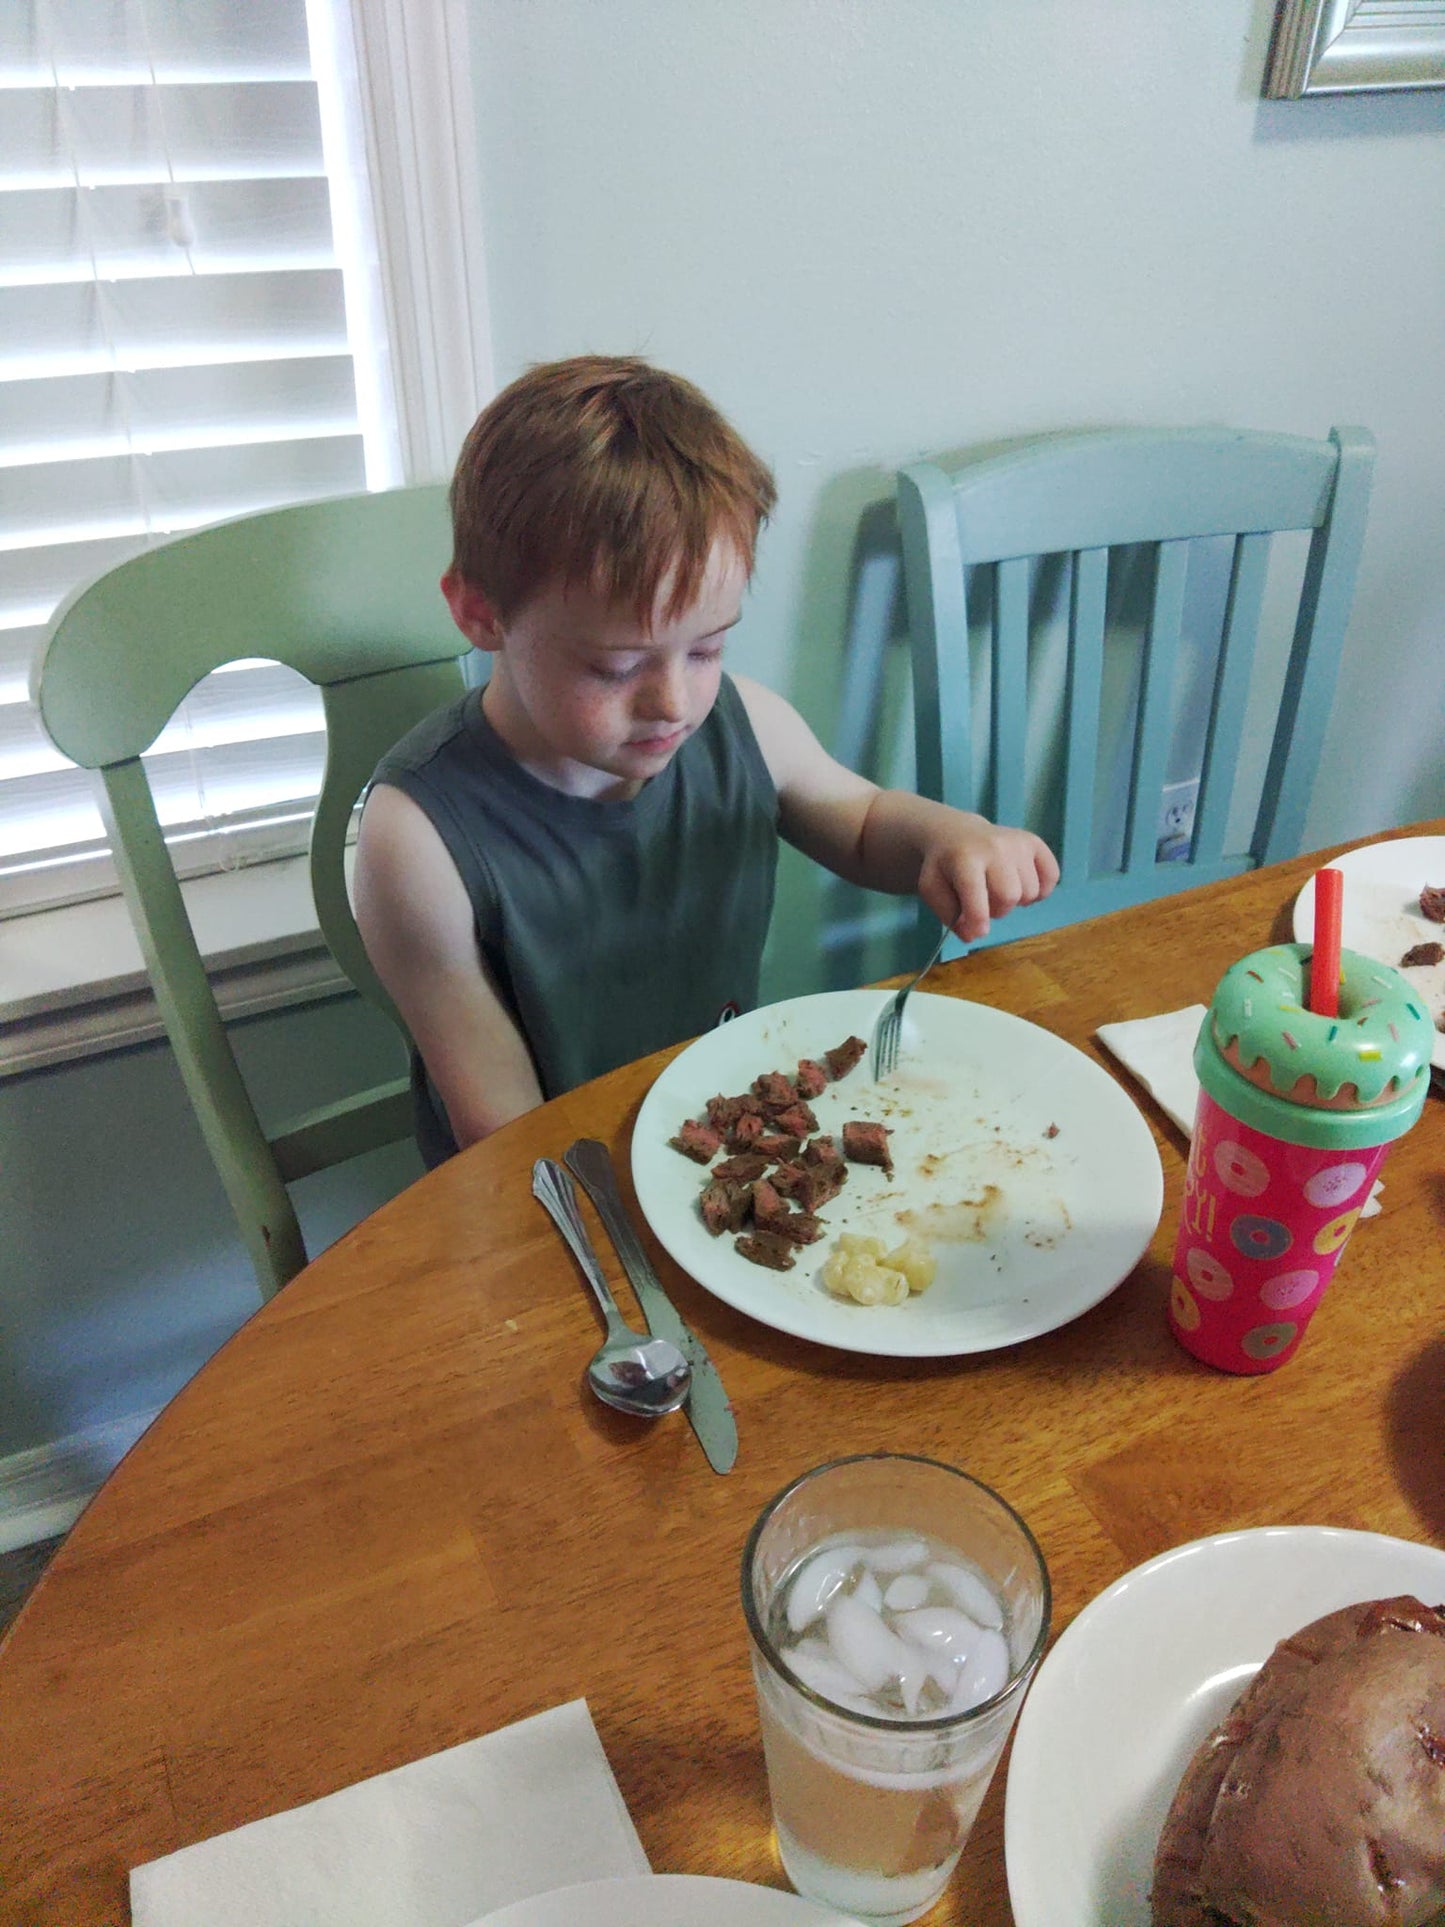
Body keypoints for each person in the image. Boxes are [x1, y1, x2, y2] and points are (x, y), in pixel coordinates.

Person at [354, 355, 1059, 1166]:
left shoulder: (745, 724)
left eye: (707, 648)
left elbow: (863, 825)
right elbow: (503, 1132)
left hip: (713, 1135)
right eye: (616, 667)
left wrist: (949, 836)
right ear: (481, 612)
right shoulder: (415, 843)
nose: (674, 704)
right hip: (551, 1183)